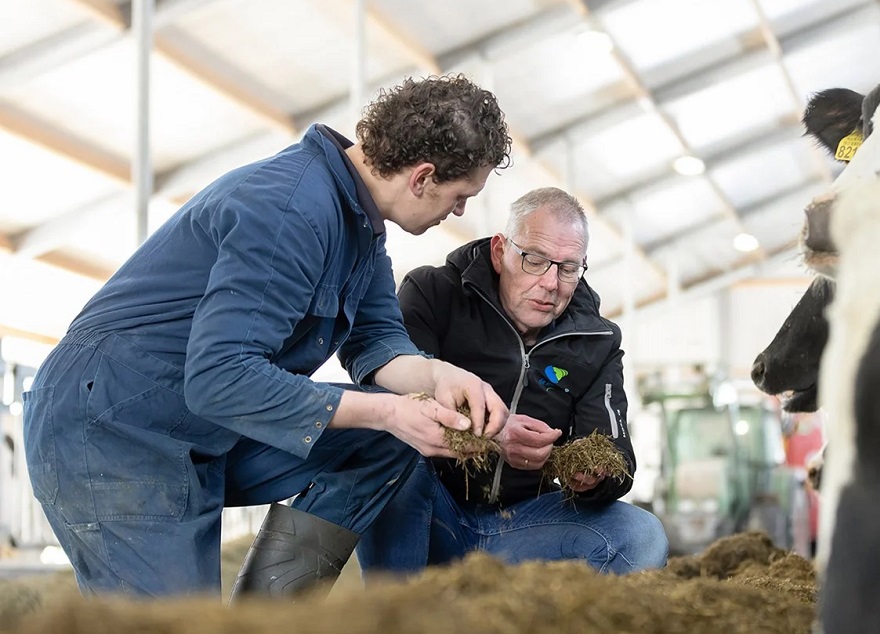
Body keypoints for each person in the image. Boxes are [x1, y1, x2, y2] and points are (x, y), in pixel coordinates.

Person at [20, 74, 514, 599]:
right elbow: (220, 377)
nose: (458, 212)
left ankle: (267, 615)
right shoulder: (292, 209)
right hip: (114, 427)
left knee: (382, 441)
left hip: (199, 426)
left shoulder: (361, 228)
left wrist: (440, 376)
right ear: (422, 177)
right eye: (461, 196)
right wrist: (392, 411)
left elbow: (377, 342)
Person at [357, 187, 668, 576]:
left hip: (525, 524)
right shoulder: (433, 294)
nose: (552, 283)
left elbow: (615, 454)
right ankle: (397, 611)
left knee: (643, 535)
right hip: (430, 512)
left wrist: (591, 477)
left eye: (568, 268)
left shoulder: (597, 342)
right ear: (500, 251)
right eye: (535, 260)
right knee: (384, 448)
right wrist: (492, 435)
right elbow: (389, 395)